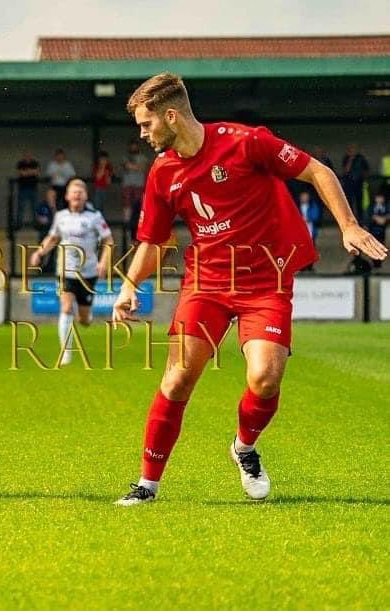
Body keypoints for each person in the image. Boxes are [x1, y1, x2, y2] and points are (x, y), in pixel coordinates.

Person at [111, 73, 387, 507]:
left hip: (265, 282)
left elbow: (317, 171)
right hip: (207, 283)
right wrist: (129, 286)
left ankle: (244, 447)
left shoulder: (245, 142)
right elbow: (153, 241)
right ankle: (147, 485)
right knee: (179, 377)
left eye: (146, 124)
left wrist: (349, 224)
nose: (142, 133)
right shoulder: (163, 174)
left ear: (170, 116)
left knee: (264, 377)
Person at [29, 178, 114, 366]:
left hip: (89, 272)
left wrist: (103, 262)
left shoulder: (94, 217)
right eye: (73, 191)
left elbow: (108, 241)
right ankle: (66, 352)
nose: (77, 194)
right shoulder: (60, 217)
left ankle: (84, 314)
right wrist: (39, 252)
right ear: (67, 196)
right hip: (65, 270)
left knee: (84, 320)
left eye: (80, 191)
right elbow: (52, 238)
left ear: (85, 196)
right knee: (66, 308)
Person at [121, 139, 149, 240]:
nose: (133, 148)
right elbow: (126, 165)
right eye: (131, 146)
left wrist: (132, 166)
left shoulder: (143, 157)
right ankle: (126, 224)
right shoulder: (125, 157)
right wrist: (135, 166)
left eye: (135, 146)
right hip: (127, 184)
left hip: (139, 184)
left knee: (139, 205)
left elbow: (142, 167)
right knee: (127, 204)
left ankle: (139, 225)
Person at [341, 144, 370, 222]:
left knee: (359, 203)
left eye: (354, 149)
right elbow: (345, 170)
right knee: (349, 203)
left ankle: (360, 221)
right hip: (349, 184)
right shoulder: (346, 158)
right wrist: (351, 159)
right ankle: (351, 220)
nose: (352, 151)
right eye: (350, 149)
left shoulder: (361, 158)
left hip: (359, 184)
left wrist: (362, 177)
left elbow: (367, 170)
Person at [33, 188, 58, 273]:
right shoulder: (42, 205)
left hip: (55, 234)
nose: (52, 197)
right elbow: (38, 217)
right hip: (44, 231)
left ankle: (50, 268)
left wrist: (53, 207)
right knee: (42, 248)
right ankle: (39, 268)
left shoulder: (58, 206)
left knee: (53, 251)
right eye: (50, 196)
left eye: (53, 196)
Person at [15, 151, 41, 229]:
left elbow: (36, 172)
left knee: (35, 207)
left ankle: (36, 224)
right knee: (20, 208)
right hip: (23, 188)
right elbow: (21, 173)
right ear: (24, 156)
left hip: (33, 188)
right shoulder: (20, 163)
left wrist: (27, 172)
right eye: (26, 155)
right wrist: (30, 172)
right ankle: (18, 224)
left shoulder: (35, 163)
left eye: (29, 155)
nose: (27, 156)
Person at [367, 193, 387, 269]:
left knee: (381, 245)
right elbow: (369, 216)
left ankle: (379, 264)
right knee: (374, 246)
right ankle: (375, 263)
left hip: (382, 231)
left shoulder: (386, 206)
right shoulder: (371, 207)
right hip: (373, 231)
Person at [91, 151, 114, 216]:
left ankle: (101, 221)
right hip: (97, 189)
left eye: (105, 159)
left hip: (105, 189)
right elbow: (98, 177)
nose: (104, 161)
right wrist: (102, 168)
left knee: (102, 206)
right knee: (97, 206)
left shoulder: (109, 167)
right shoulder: (95, 166)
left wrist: (107, 175)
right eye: (102, 159)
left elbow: (108, 182)